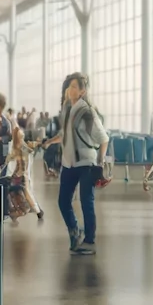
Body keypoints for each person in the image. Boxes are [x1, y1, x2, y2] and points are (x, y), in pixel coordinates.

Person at [44, 73, 110, 255]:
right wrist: (49, 142)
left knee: (86, 202)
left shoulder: (87, 112)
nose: (70, 90)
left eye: (74, 87)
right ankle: (75, 231)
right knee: (63, 201)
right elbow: (65, 134)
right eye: (69, 86)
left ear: (82, 91)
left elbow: (103, 138)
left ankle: (89, 241)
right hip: (69, 163)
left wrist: (100, 162)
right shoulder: (67, 109)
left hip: (87, 163)